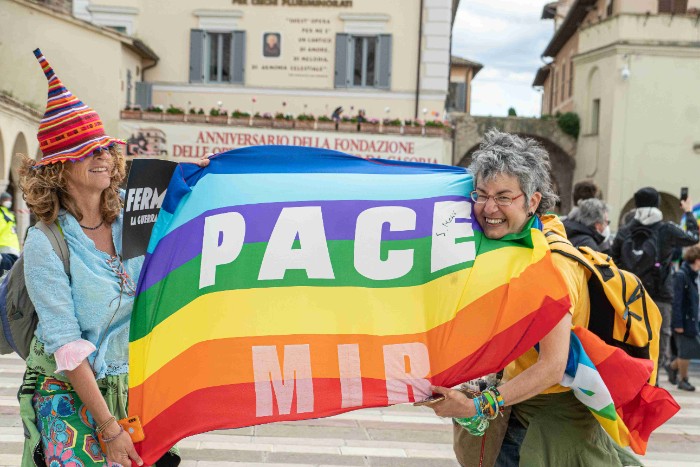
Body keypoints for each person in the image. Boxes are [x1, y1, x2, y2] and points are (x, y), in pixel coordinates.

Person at [19, 49, 208, 467]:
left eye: (105, 147)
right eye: (89, 150)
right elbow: (66, 344)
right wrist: (108, 427)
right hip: (70, 390)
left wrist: (201, 176)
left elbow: (186, 204)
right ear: (59, 168)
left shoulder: (133, 212)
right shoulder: (45, 242)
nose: (103, 155)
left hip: (133, 383)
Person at [426, 130, 639, 466]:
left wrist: (479, 406)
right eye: (481, 195)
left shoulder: (548, 264)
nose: (489, 208)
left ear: (533, 201)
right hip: (520, 414)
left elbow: (552, 366)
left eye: (503, 197)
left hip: (545, 429)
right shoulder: (527, 239)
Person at [612, 186, 699, 382]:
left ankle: (632, 382)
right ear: (657, 204)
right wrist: (688, 211)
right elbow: (694, 237)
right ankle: (653, 382)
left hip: (630, 296)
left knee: (630, 339)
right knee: (659, 340)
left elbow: (611, 260)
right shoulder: (666, 229)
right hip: (660, 296)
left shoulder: (625, 231)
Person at [669, 244, 700, 391]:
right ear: (697, 260)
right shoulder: (682, 275)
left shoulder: (692, 276)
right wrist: (678, 323)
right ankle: (683, 379)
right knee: (686, 352)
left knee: (690, 350)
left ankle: (672, 367)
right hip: (683, 321)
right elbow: (677, 302)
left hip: (691, 320)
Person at [0, 191, 20, 272]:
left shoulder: (9, 214)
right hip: (4, 247)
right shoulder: (1, 214)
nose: (8, 202)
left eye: (9, 200)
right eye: (6, 200)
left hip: (13, 247)